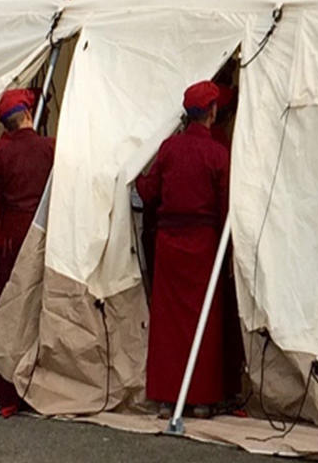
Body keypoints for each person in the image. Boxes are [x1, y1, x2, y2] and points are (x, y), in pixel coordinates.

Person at [136, 80, 230, 419]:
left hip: (170, 243)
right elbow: (225, 206)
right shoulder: (218, 153)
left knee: (169, 322)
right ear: (213, 112)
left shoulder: (169, 148)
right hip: (203, 243)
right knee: (203, 319)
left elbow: (148, 191)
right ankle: (202, 397)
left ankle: (167, 396)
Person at [0, 88, 55, 403]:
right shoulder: (51, 148)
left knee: (9, 309)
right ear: (27, 115)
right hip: (41, 233)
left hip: (10, 237)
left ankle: (7, 387)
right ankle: (39, 382)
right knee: (39, 307)